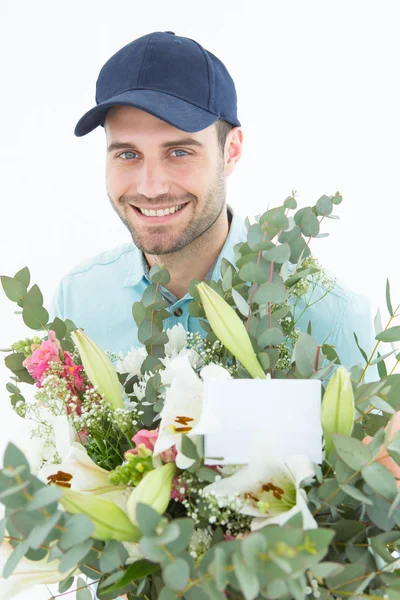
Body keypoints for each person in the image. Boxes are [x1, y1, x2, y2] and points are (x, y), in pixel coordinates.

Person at [49, 31, 378, 380]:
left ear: (231, 151)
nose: (150, 186)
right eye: (128, 154)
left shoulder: (332, 318)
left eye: (179, 152)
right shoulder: (76, 302)